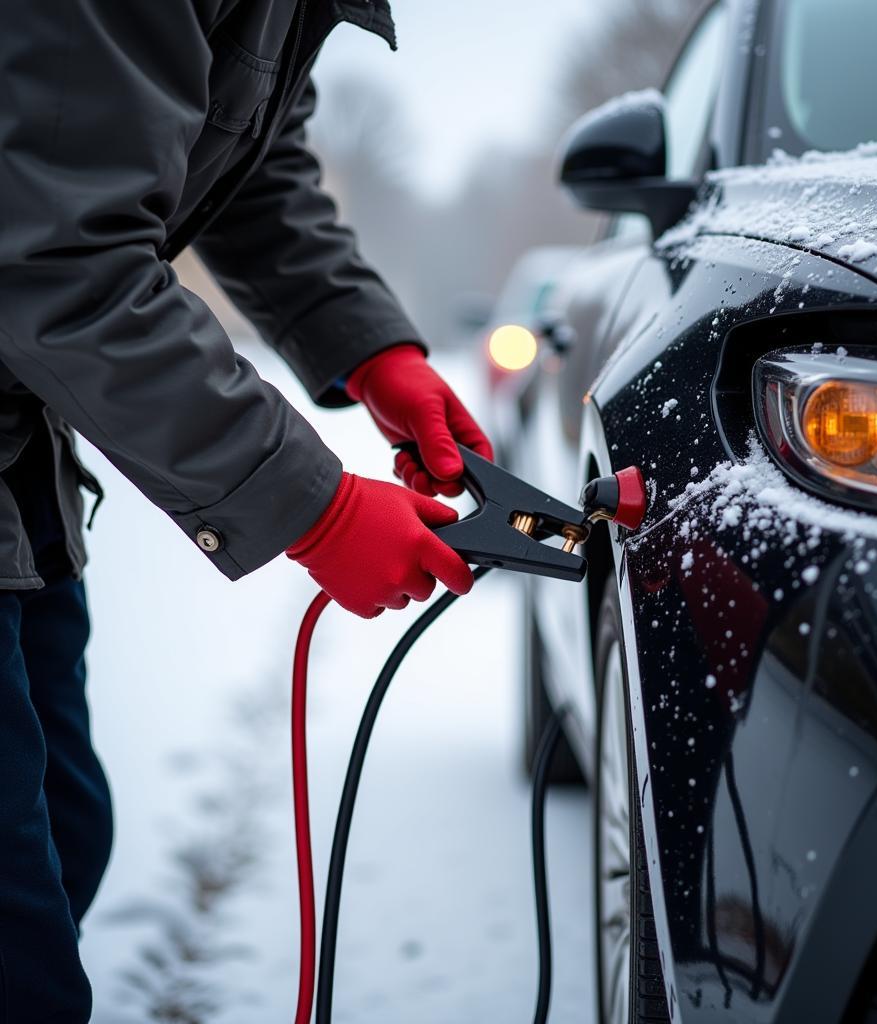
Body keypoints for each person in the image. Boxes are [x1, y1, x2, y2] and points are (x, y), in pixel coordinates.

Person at [0, 0, 492, 1017]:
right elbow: (55, 256)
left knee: (62, 834)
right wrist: (315, 512)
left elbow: (246, 160)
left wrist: (366, 346)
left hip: (16, 451)